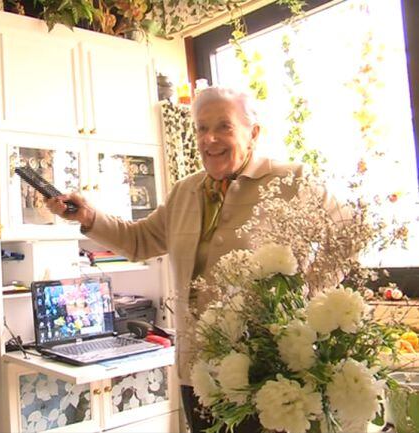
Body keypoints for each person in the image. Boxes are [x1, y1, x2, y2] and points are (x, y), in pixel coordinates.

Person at [46, 86, 325, 433]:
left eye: (224, 126)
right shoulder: (185, 192)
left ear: (253, 132)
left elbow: (340, 244)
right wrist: (88, 217)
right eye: (201, 128)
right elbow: (139, 240)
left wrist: (305, 308)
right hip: (198, 369)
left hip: (267, 372)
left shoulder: (291, 180)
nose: (210, 139)